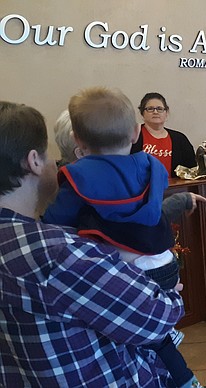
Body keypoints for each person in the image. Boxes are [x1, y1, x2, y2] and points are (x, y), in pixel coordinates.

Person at [0, 100, 184, 387]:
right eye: (50, 155)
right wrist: (169, 293)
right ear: (33, 161)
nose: (55, 164)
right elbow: (158, 319)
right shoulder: (57, 253)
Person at [41, 87, 206, 388]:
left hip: (126, 271)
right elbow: (154, 214)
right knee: (155, 334)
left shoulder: (78, 176)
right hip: (166, 263)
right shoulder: (150, 166)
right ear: (134, 132)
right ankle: (175, 361)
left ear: (77, 140)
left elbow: (54, 224)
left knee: (138, 337)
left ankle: (182, 379)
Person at [131, 92, 196, 177]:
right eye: (150, 109)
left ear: (166, 112)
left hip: (175, 189)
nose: (155, 112)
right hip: (142, 189)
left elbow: (192, 170)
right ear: (142, 113)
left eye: (159, 109)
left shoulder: (180, 139)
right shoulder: (133, 136)